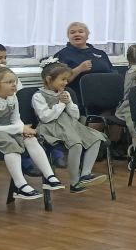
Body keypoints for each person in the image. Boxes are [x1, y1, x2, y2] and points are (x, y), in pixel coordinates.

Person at [0, 67, 61, 200]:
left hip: (5, 131)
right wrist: (20, 129)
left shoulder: (13, 97)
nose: (14, 85)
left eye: (15, 81)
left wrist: (21, 129)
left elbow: (16, 120)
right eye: (9, 82)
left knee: (31, 139)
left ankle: (49, 177)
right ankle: (20, 185)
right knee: (10, 144)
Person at [34, 63, 109, 193]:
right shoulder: (38, 96)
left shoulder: (65, 93)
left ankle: (85, 174)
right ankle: (75, 182)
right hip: (51, 127)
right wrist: (60, 104)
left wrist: (68, 103)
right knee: (76, 144)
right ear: (49, 79)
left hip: (70, 124)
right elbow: (46, 117)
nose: (66, 82)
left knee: (96, 138)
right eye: (62, 79)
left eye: (66, 79)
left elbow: (75, 116)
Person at [53, 21, 116, 90]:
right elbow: (56, 82)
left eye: (81, 32)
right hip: (77, 95)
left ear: (87, 36)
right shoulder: (61, 55)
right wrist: (79, 69)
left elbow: (114, 74)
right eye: (72, 32)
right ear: (68, 36)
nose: (77, 34)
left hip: (105, 92)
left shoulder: (100, 53)